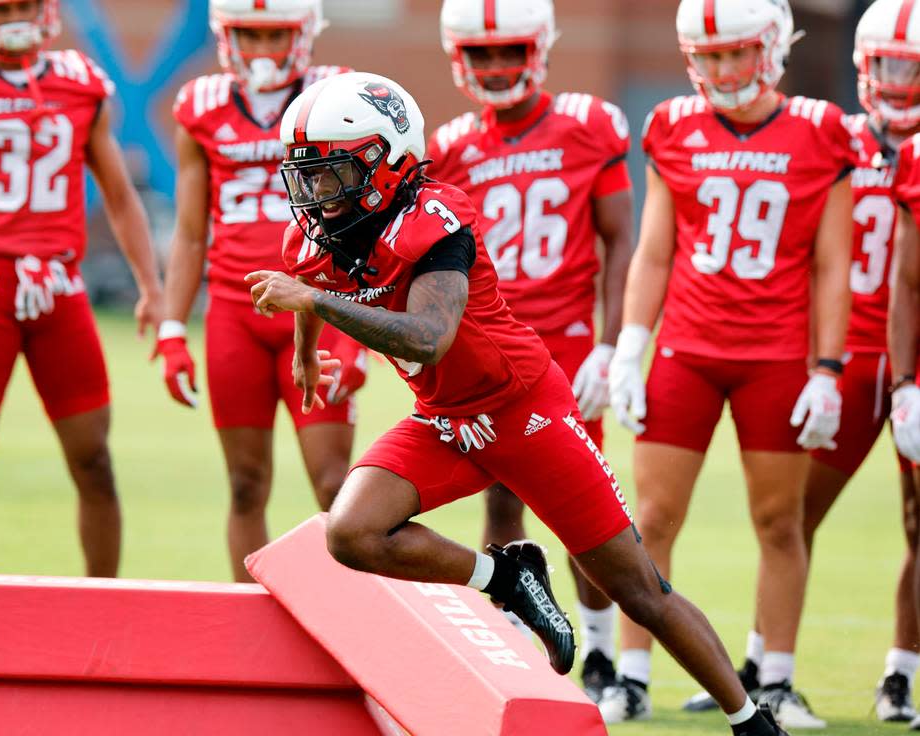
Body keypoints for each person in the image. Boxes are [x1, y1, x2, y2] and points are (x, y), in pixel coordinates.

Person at [246, 69, 788, 736]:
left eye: (331, 174)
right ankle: (506, 576)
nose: (316, 195)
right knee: (351, 532)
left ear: (387, 163)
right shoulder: (319, 235)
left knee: (639, 591)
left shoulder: (435, 222)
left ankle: (752, 721)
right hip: (445, 421)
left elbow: (430, 336)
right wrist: (306, 347)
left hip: (523, 412)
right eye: (307, 175)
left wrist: (317, 306)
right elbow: (305, 277)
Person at [604, 0, 856, 727]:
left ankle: (774, 679)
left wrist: (828, 369)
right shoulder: (673, 125)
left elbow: (832, 264)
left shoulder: (820, 129)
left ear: (771, 47)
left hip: (776, 354)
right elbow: (655, 250)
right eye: (707, 55)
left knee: (780, 522)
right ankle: (631, 675)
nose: (720, 69)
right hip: (687, 347)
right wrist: (630, 347)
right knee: (648, 518)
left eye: (735, 53)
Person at [685, 0, 920, 723]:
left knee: (918, 523)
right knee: (791, 513)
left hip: (909, 362)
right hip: (844, 353)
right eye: (888, 65)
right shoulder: (832, 136)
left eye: (913, 68)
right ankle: (761, 665)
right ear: (863, 66)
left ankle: (900, 674)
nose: (900, 81)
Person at [0, 0, 164, 576]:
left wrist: (152, 285)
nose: (13, 16)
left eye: (23, 4)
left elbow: (120, 195)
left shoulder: (80, 85)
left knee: (94, 461)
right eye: (0, 8)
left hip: (61, 288)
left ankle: (103, 607)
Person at [426, 0, 634, 701]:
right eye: (481, 54)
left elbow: (620, 241)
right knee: (499, 500)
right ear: (459, 57)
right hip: (491, 347)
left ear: (539, 47)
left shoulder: (587, 123)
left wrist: (612, 344)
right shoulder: (450, 144)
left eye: (507, 50)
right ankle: (517, 649)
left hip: (569, 345)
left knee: (583, 511)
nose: (494, 65)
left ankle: (603, 658)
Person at [159, 0, 365, 582]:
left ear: (304, 33)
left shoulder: (338, 95)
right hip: (233, 309)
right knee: (246, 485)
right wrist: (174, 328)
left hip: (318, 300)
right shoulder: (200, 106)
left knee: (334, 484)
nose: (262, 49)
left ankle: (352, 623)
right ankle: (255, 628)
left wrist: (360, 334)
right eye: (248, 35)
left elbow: (364, 220)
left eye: (276, 33)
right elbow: (191, 230)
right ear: (226, 37)